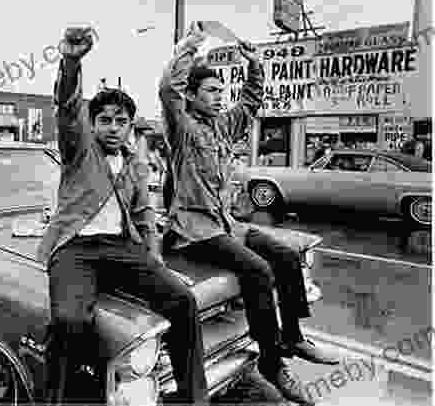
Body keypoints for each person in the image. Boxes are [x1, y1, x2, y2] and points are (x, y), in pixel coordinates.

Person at [159, 21, 338, 404]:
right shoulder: (183, 128)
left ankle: (292, 337)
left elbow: (251, 101)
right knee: (257, 271)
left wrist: (254, 64)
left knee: (287, 257)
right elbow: (167, 89)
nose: (220, 97)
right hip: (195, 230)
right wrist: (190, 45)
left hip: (226, 224)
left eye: (222, 91)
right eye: (211, 91)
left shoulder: (223, 126)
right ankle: (272, 365)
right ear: (191, 96)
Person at [38, 27, 207, 406]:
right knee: (69, 322)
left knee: (182, 300)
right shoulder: (79, 150)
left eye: (121, 121)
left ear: (131, 126)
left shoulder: (135, 162)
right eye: (105, 120)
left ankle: (192, 397)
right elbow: (66, 108)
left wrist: (156, 259)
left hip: (119, 247)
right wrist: (71, 61)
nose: (113, 128)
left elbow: (145, 216)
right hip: (74, 250)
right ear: (92, 123)